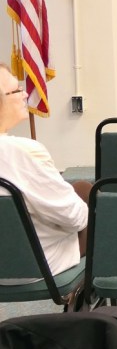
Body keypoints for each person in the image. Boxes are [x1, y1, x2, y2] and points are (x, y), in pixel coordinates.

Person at [0, 63, 90, 277]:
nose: (25, 95)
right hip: (33, 267)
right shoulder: (24, 152)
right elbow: (75, 218)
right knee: (94, 199)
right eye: (17, 90)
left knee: (80, 188)